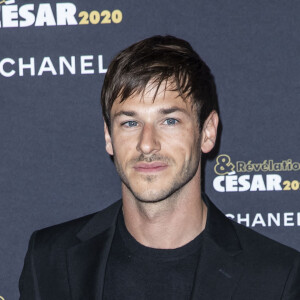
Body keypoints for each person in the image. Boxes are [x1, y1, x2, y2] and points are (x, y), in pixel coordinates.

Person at [19, 35, 300, 300]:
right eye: (130, 123)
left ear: (207, 132)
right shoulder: (49, 260)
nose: (147, 144)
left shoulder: (275, 277)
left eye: (169, 121)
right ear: (109, 137)